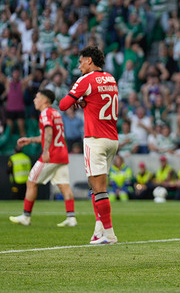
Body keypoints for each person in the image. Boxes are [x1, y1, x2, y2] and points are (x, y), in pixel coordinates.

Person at [59, 46, 119, 244]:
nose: (79, 66)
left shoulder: (86, 79)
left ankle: (109, 234)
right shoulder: (111, 78)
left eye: (81, 61)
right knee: (95, 187)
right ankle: (98, 231)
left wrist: (78, 99)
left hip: (95, 139)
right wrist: (85, 102)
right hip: (112, 139)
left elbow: (63, 105)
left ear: (89, 61)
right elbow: (98, 101)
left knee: (99, 189)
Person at [9, 89, 77, 227]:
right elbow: (48, 134)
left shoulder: (45, 113)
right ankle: (71, 218)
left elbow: (48, 131)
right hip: (62, 154)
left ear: (45, 100)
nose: (34, 100)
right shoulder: (56, 113)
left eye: (37, 97)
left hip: (51, 155)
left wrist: (45, 151)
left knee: (31, 182)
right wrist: (30, 140)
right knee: (64, 186)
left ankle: (26, 217)